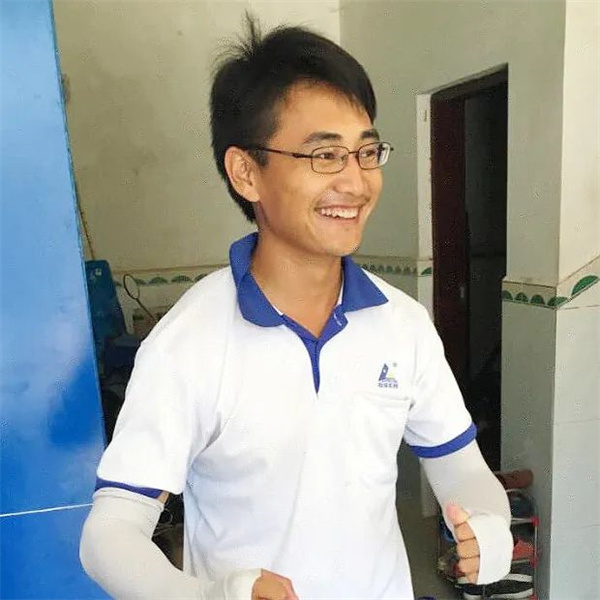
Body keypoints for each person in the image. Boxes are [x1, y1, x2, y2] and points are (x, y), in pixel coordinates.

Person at [80, 16, 512, 600]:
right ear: (246, 172)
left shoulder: (402, 324)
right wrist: (207, 596)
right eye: (325, 155)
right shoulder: (190, 342)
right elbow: (109, 534)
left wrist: (490, 523)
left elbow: (461, 467)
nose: (356, 182)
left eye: (366, 152)